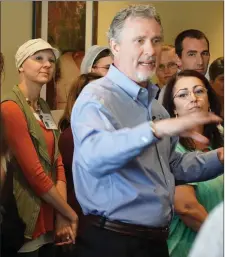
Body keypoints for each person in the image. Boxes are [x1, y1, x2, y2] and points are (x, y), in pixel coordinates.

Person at [71, 5, 223, 257]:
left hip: (153, 242)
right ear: (115, 46)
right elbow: (95, 156)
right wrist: (155, 129)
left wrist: (218, 158)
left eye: (155, 40)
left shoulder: (154, 106)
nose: (150, 50)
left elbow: (173, 165)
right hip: (114, 243)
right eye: (139, 40)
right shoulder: (96, 98)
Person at [1, 38, 78, 257]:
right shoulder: (10, 108)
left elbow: (57, 161)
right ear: (21, 66)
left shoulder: (43, 107)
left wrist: (62, 213)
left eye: (51, 60)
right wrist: (70, 213)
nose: (47, 64)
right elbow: (34, 173)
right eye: (38, 58)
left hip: (50, 215)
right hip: (26, 217)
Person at [162, 69, 224, 257]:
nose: (193, 98)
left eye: (199, 91)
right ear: (173, 108)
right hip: (187, 249)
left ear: (209, 100)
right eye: (183, 94)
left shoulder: (220, 139)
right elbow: (187, 208)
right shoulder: (171, 147)